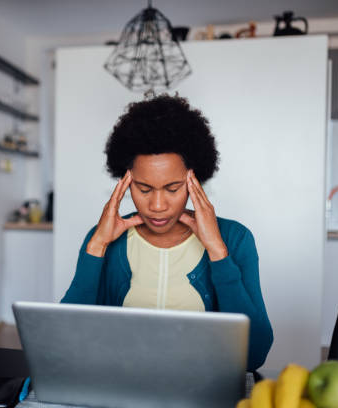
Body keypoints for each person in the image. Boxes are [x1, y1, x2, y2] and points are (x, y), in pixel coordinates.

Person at [61, 93, 273, 371]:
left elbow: (254, 355)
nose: (157, 206)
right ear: (125, 183)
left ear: (194, 180)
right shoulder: (103, 237)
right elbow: (65, 344)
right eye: (144, 189)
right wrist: (97, 246)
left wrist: (218, 252)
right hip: (123, 385)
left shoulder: (235, 239)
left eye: (172, 189)